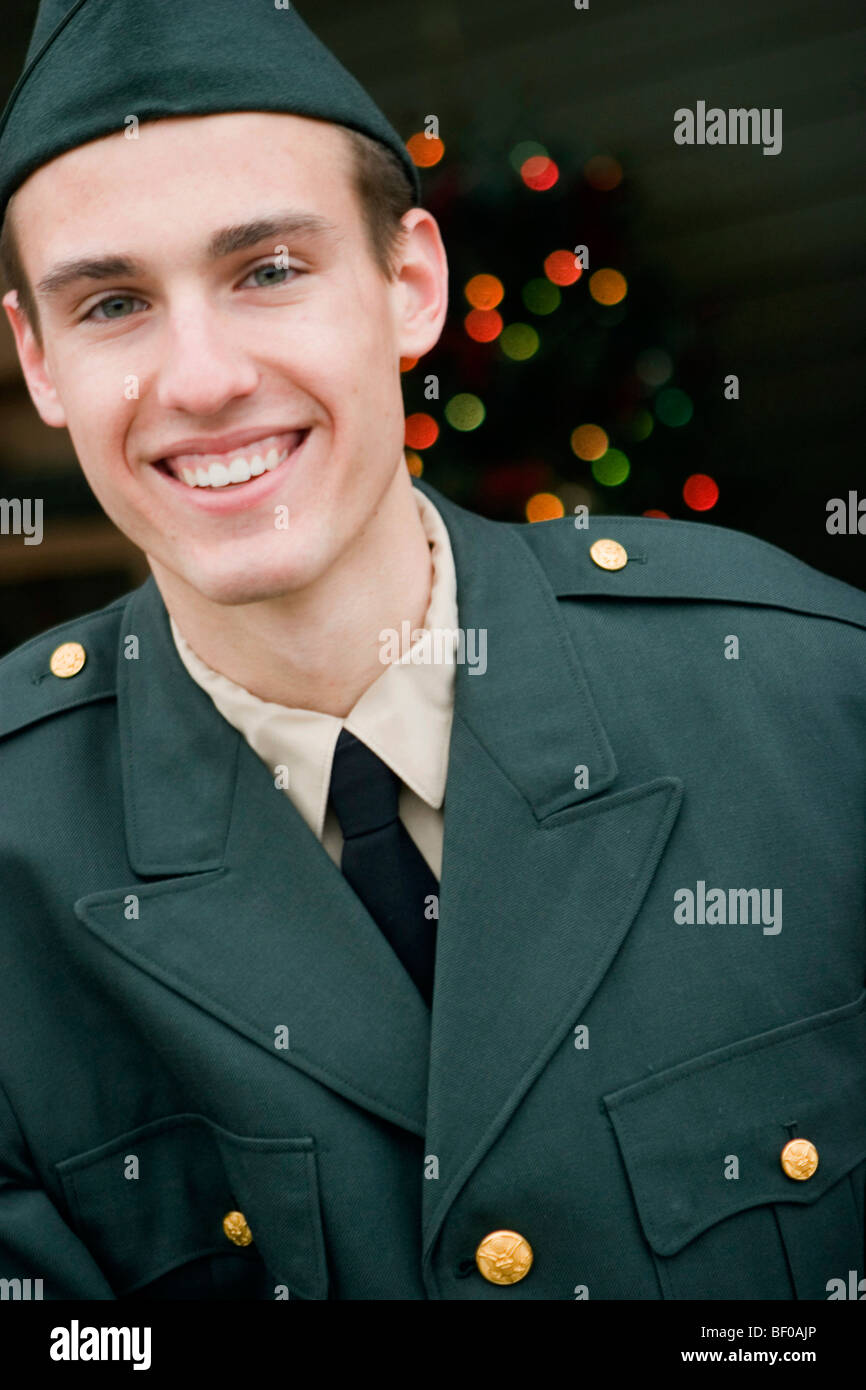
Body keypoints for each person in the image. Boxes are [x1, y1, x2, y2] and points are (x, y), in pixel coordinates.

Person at [0, 0, 863, 1303]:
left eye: (268, 270)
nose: (200, 378)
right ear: (39, 360)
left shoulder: (805, 698)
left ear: (409, 285)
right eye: (113, 302)